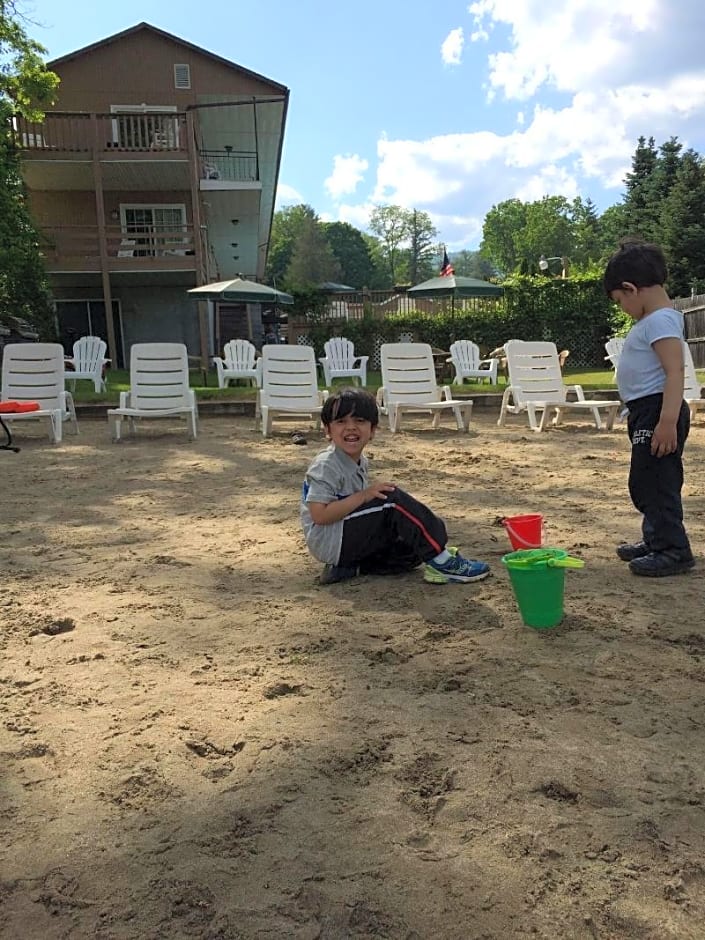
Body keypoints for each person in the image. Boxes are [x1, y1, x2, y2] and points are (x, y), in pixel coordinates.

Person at [300, 388, 491, 585]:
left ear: (372, 430)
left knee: (413, 546)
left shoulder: (359, 461)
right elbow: (320, 515)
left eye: (359, 421)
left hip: (344, 539)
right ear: (327, 430)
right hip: (330, 540)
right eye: (341, 421)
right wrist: (364, 496)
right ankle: (444, 564)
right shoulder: (326, 465)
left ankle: (349, 568)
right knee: (391, 499)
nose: (351, 427)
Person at [603, 238, 695, 577]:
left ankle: (673, 550)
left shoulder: (659, 321)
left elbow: (675, 372)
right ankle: (656, 537)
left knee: (655, 481)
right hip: (647, 411)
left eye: (618, 301)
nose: (621, 308)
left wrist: (667, 420)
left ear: (630, 289)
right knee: (648, 478)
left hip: (658, 411)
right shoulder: (654, 320)